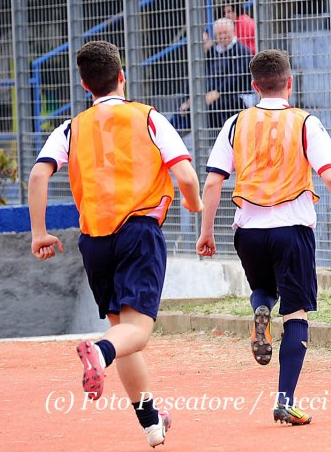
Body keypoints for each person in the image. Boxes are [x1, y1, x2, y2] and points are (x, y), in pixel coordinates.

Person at [28, 40, 203, 448]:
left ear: (85, 85)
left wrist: (39, 232)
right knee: (134, 333)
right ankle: (99, 353)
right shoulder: (149, 118)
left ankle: (151, 422)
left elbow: (38, 176)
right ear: (121, 76)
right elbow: (187, 177)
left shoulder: (71, 127)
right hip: (138, 231)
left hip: (95, 241)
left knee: (123, 332)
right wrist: (193, 206)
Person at [195, 49, 331, 425]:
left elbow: (213, 181)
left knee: (263, 288)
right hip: (291, 228)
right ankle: (284, 400)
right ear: (289, 82)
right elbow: (330, 176)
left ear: (254, 86)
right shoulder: (305, 123)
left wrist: (207, 231)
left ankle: (260, 309)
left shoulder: (235, 123)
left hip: (248, 230)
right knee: (295, 313)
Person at [179, 18, 253, 130]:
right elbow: (204, 76)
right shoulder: (213, 52)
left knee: (210, 105)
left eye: (225, 33)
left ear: (232, 32)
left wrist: (217, 92)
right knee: (185, 107)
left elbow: (236, 78)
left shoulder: (242, 51)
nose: (222, 36)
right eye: (219, 34)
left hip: (236, 95)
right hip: (212, 96)